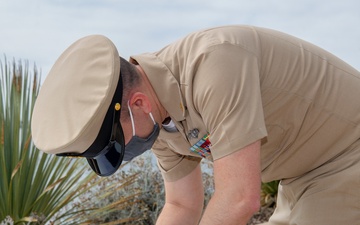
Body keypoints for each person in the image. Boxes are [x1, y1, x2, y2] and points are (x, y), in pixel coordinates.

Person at [31, 25, 360, 225]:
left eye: (115, 142)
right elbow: (181, 205)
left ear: (137, 105)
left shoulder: (215, 63)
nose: (125, 151)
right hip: (303, 176)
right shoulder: (158, 119)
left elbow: (239, 198)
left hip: (347, 155)